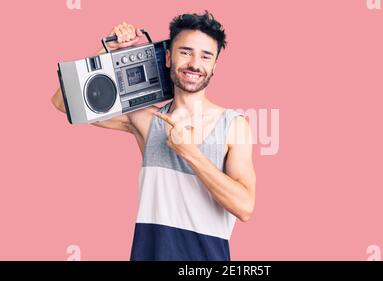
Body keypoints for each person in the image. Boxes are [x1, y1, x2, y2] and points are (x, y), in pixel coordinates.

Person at [51, 11, 256, 261]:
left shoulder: (233, 125)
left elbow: (245, 207)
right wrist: (106, 51)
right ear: (168, 56)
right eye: (185, 51)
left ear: (214, 65)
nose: (194, 63)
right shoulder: (146, 120)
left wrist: (191, 154)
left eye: (205, 56)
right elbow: (62, 102)